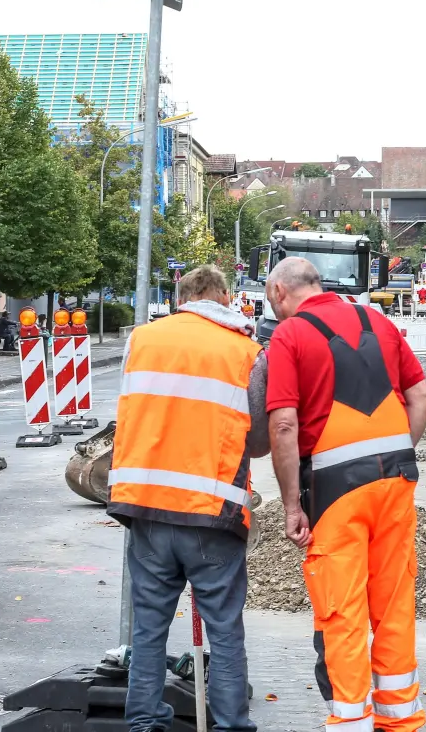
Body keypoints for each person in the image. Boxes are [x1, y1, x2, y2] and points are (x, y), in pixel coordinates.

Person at [263, 257, 426, 732]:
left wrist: (293, 504)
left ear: (280, 292)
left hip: (337, 492)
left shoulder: (290, 336)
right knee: (395, 604)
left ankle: (350, 722)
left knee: (342, 611)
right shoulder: (377, 321)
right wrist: (399, 451)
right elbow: (423, 395)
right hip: (395, 482)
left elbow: (282, 424)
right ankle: (400, 719)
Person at [109, 265, 270, 732]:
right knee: (223, 629)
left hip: (145, 506)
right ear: (220, 296)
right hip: (211, 515)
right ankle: (231, 725)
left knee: (149, 627)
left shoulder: (141, 340)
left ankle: (143, 722)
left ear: (182, 297)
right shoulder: (244, 350)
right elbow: (257, 439)